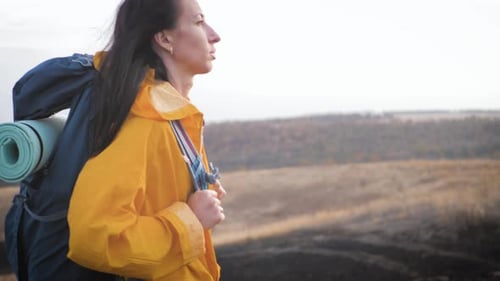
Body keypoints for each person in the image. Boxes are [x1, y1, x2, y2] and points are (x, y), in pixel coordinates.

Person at [4, 0, 225, 280]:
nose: (214, 34)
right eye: (199, 21)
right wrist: (190, 221)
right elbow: (96, 236)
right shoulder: (144, 118)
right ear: (164, 38)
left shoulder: (172, 113)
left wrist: (196, 190)